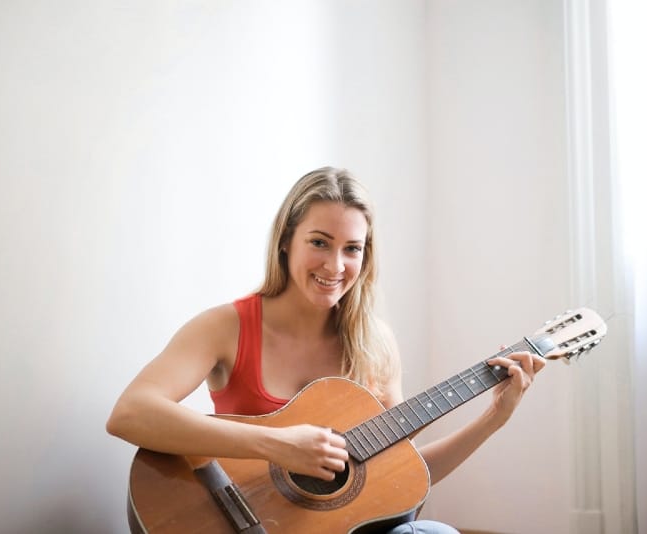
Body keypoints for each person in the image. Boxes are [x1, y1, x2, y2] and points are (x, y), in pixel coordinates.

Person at [106, 166, 545, 533]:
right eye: (319, 242)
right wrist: (277, 445)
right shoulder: (226, 327)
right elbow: (131, 413)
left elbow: (399, 481)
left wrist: (493, 420)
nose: (335, 266)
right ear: (285, 241)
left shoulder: (375, 345)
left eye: (351, 249)